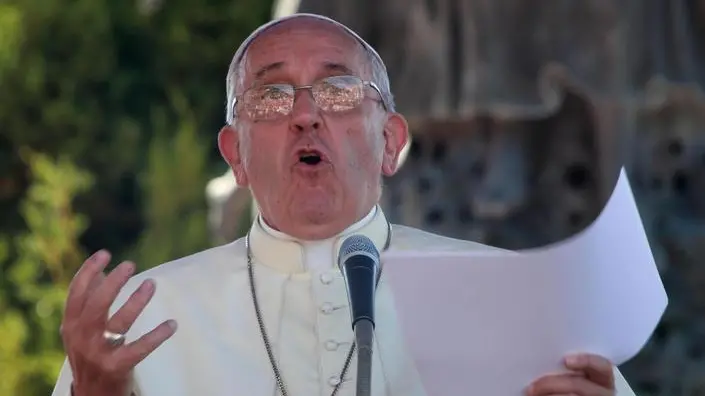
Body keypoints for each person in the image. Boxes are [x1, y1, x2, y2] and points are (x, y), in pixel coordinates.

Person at [51, 13, 637, 396]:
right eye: (273, 94)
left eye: (337, 90)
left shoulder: (518, 300)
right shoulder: (140, 324)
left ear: (390, 142)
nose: (306, 114)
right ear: (235, 156)